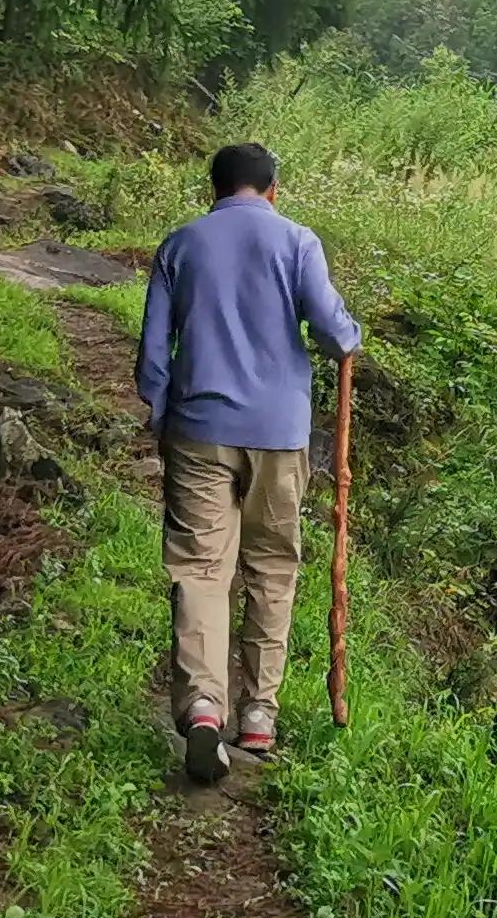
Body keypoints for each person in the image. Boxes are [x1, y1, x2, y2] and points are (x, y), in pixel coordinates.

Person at [136, 139, 362, 785]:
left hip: (198, 428)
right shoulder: (296, 241)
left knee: (202, 570)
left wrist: (162, 414)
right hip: (280, 434)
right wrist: (349, 336)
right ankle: (259, 714)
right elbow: (329, 326)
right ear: (273, 188)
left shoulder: (181, 245)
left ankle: (204, 706)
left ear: (213, 189)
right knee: (271, 566)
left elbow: (154, 352)